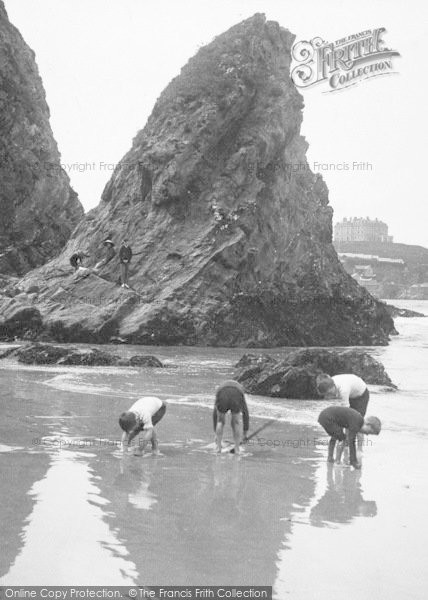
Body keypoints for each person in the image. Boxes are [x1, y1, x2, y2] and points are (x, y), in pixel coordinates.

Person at [213, 380, 249, 455]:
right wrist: (245, 433)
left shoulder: (219, 389)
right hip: (236, 394)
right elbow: (245, 413)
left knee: (220, 421)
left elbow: (214, 414)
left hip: (222, 393)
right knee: (235, 422)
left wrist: (215, 433)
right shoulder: (241, 390)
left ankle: (218, 448)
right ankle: (237, 449)